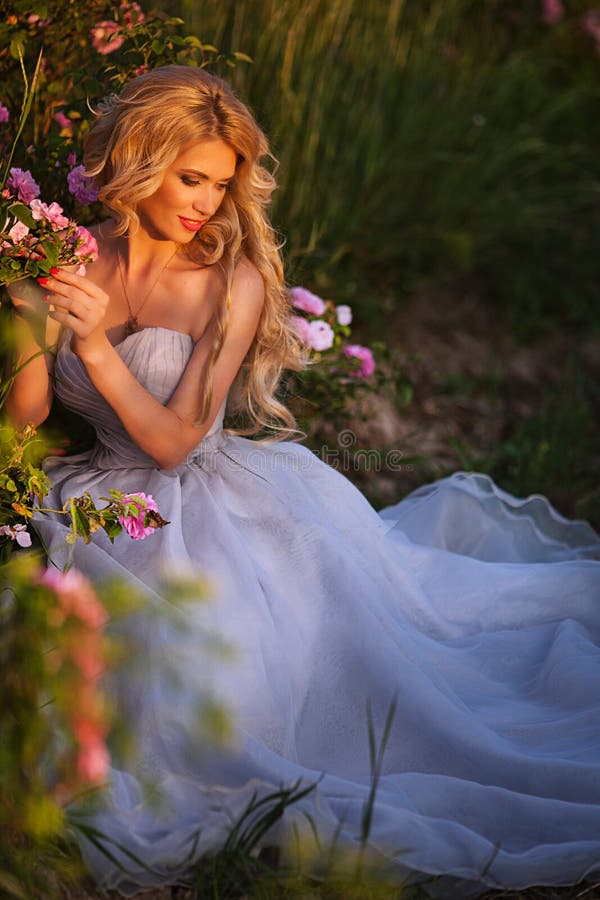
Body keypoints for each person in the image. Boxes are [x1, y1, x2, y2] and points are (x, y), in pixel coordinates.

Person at [5, 65, 600, 897]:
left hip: (204, 508)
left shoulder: (230, 279)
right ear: (138, 159)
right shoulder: (77, 257)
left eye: (220, 183)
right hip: (91, 498)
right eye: (191, 178)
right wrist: (28, 313)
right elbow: (25, 418)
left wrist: (98, 346)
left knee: (214, 684)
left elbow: (177, 443)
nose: (206, 203)